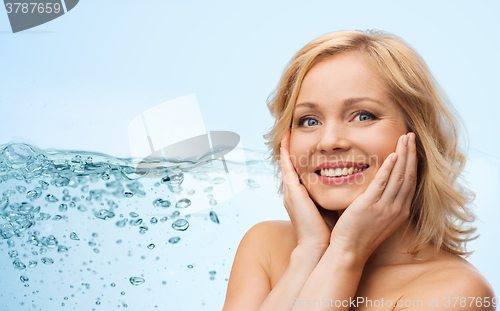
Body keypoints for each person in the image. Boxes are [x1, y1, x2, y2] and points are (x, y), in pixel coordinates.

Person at [222, 30, 495, 311]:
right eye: (309, 120)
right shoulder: (264, 246)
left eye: (363, 116)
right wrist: (309, 251)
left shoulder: (456, 292)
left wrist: (346, 252)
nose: (328, 142)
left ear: (417, 135)